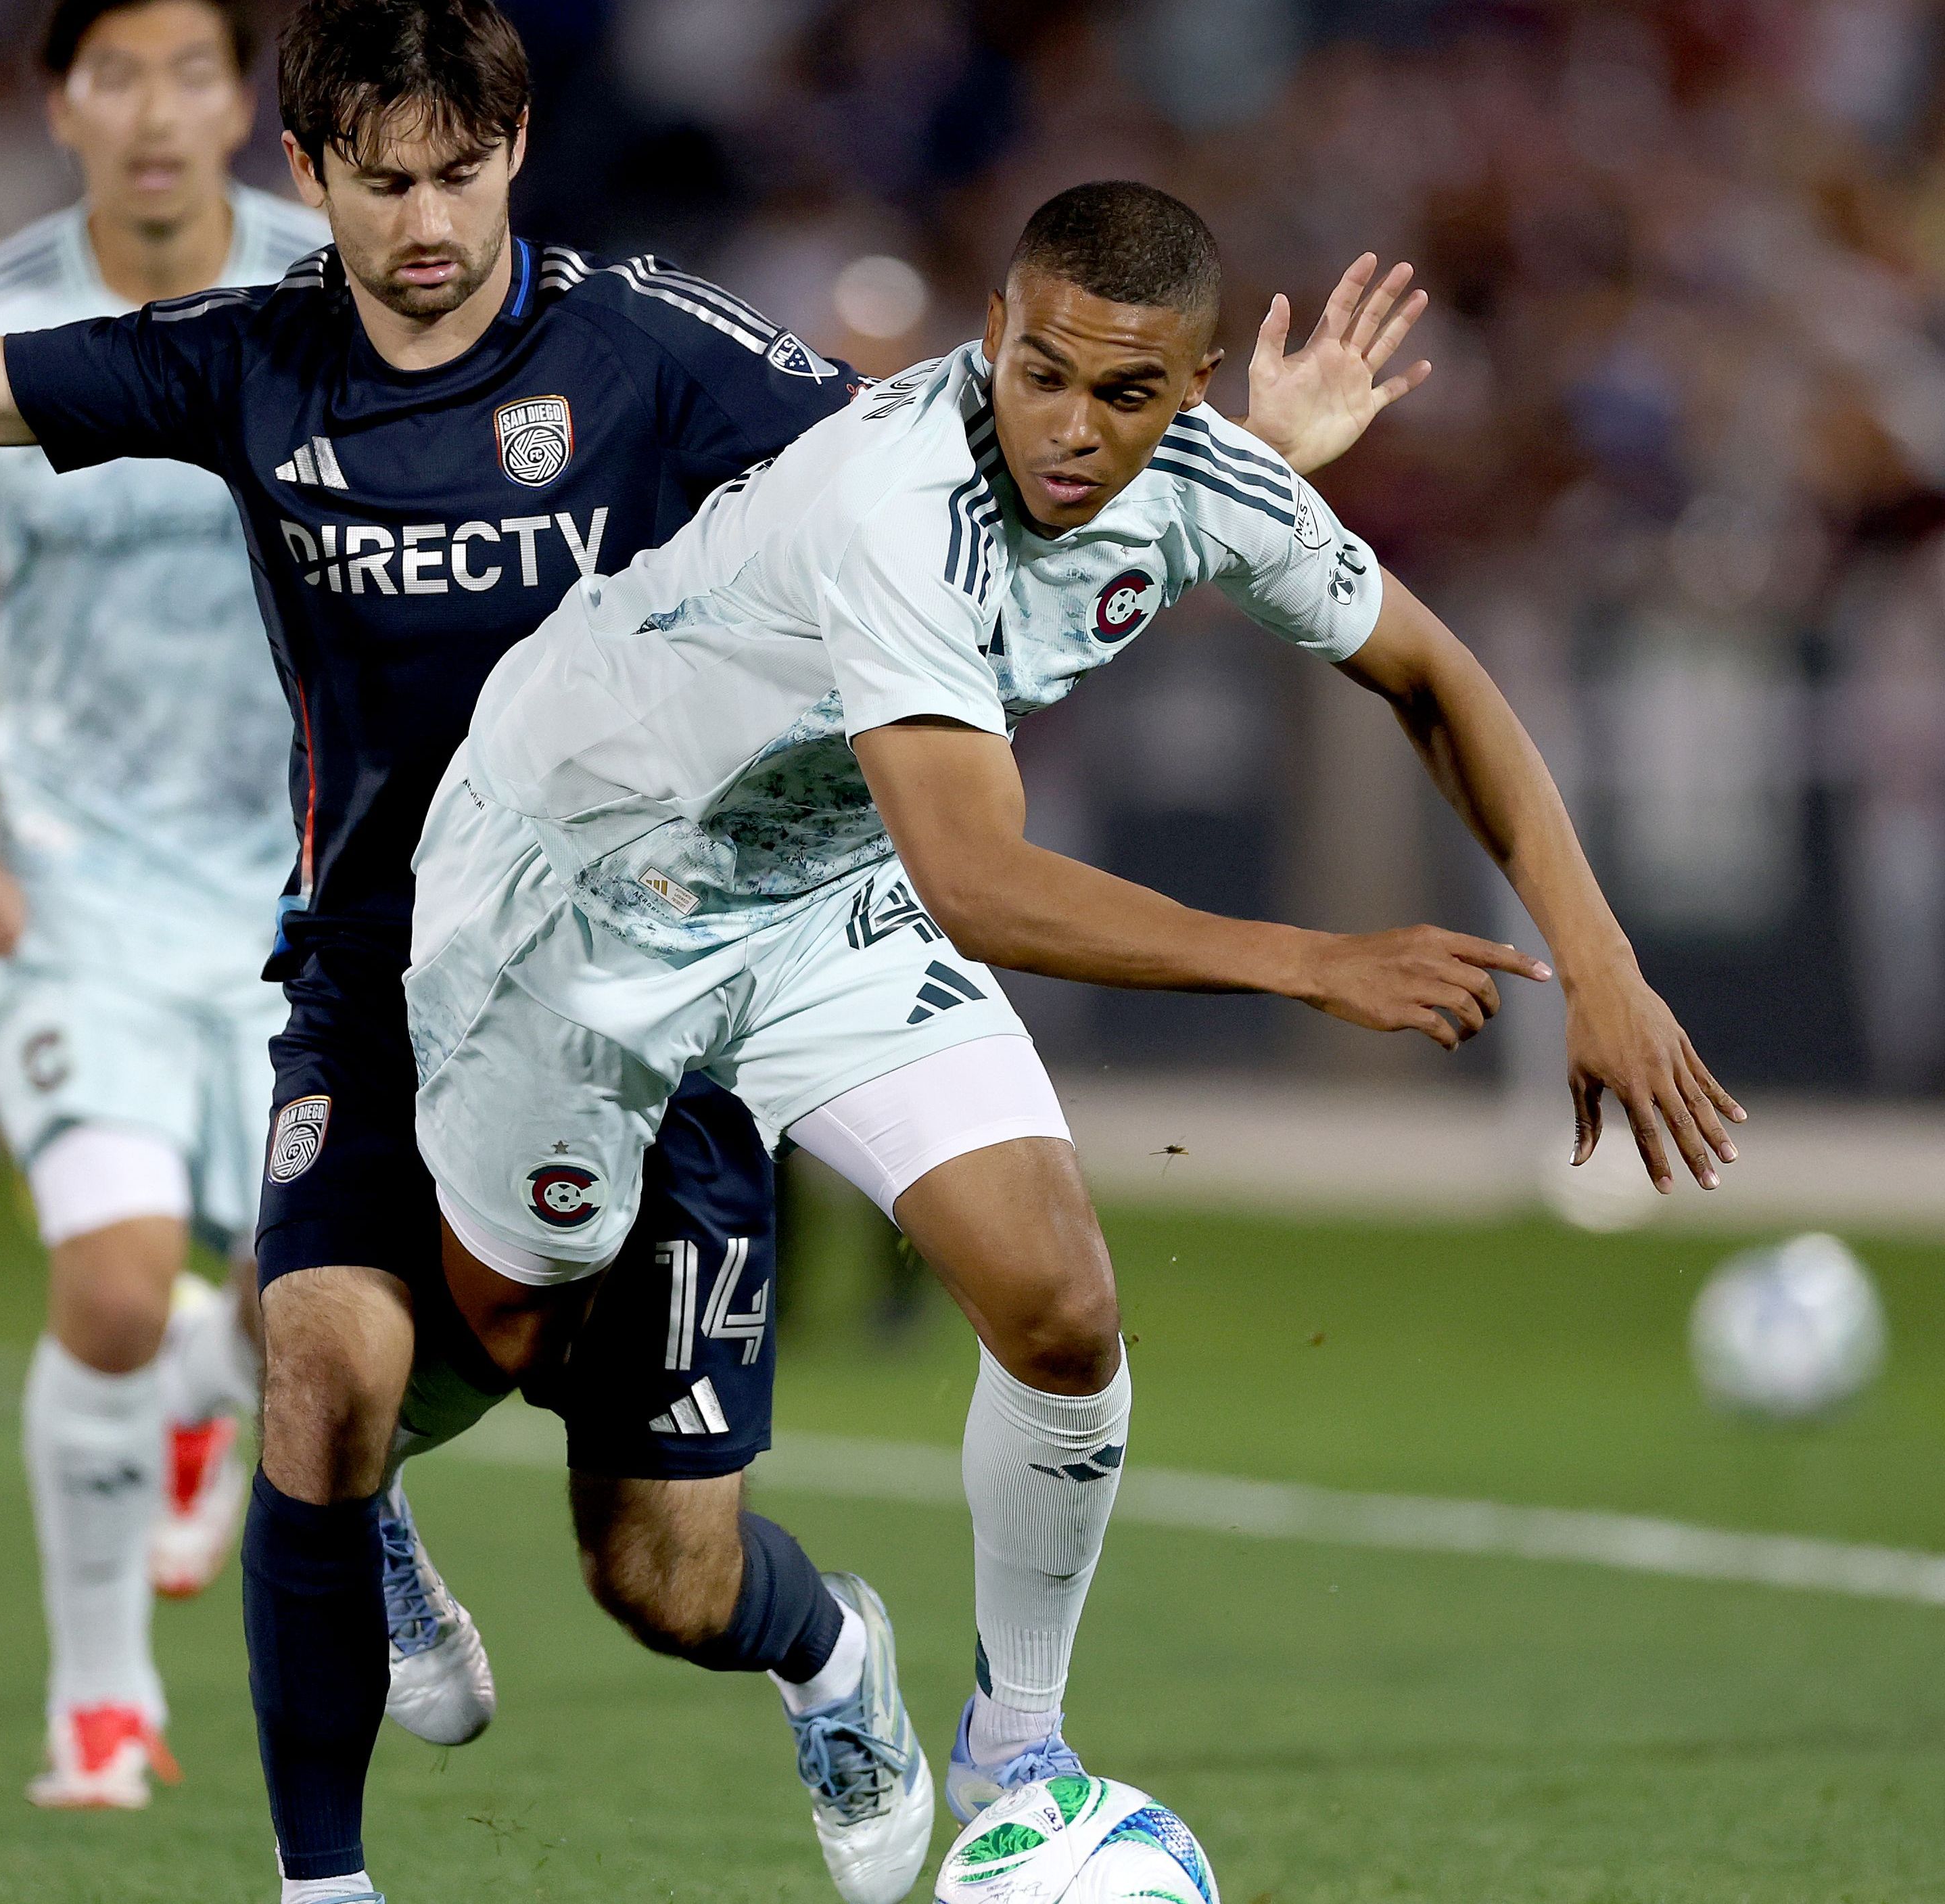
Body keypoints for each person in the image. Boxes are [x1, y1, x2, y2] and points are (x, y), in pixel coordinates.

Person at [0, 11, 1417, 1895]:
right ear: (307, 177)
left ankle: (826, 1652)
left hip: (655, 976)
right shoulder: (253, 360)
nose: (424, 218)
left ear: (515, 149)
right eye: (380, 179)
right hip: (380, 975)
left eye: (457, 169)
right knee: (317, 1372)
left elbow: (958, 499)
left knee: (659, 1573)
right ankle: (323, 1862)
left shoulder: (652, 350)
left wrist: (1230, 467)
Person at [407, 181, 1744, 1827]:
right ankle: (359, 1486)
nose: (1069, 426)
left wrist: (1599, 964)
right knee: (499, 1326)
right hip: (576, 880)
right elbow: (977, 879)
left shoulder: (1208, 477)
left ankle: (1014, 1750)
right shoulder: (895, 501)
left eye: (1126, 394)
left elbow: (1435, 673)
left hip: (816, 894)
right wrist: (1309, 959)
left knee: (1059, 1306)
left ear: (1191, 393)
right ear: (993, 336)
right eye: (1042, 373)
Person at [0, 0, 325, 1809]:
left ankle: (208, 1376)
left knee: (306, 1316)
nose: (158, 111)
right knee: (110, 1289)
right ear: (60, 105)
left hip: (300, 896)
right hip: (74, 890)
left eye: (194, 70)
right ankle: (99, 1700)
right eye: (117, 75)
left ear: (242, 103)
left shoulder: (323, 294)